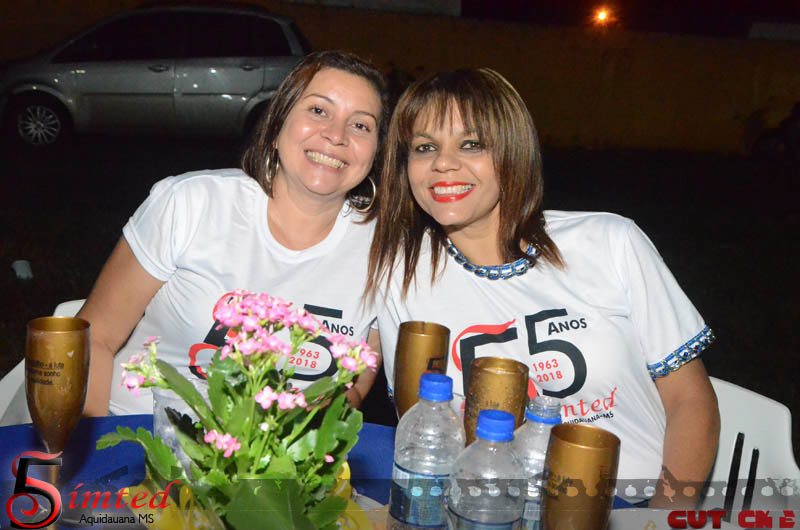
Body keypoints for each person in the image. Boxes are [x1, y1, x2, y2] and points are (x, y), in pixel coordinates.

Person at [366, 68, 720, 508]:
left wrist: (663, 516)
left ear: (513, 152)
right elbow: (425, 433)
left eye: (471, 144)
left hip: (633, 503)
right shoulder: (401, 277)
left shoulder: (609, 243)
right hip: (489, 508)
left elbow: (690, 399)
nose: (444, 163)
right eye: (425, 147)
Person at [80, 51, 387, 417]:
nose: (336, 135)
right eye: (318, 110)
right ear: (277, 125)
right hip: (138, 431)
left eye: (360, 125)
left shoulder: (386, 248)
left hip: (274, 453)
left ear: (376, 152)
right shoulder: (190, 204)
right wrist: (94, 442)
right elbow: (95, 337)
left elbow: (357, 381)